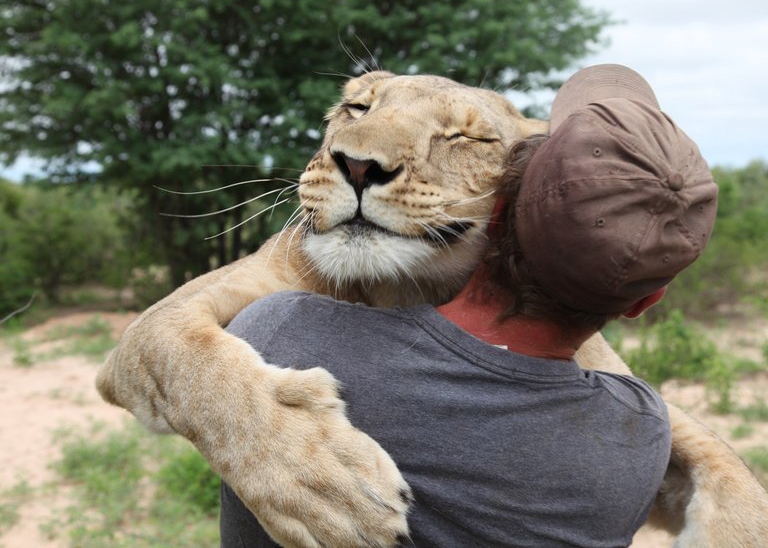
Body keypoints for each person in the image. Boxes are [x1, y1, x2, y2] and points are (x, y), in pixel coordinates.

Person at [219, 64, 718, 547]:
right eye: (355, 109)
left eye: (469, 139)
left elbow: (164, 333)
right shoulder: (639, 434)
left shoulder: (279, 332)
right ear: (647, 300)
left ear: (500, 206)